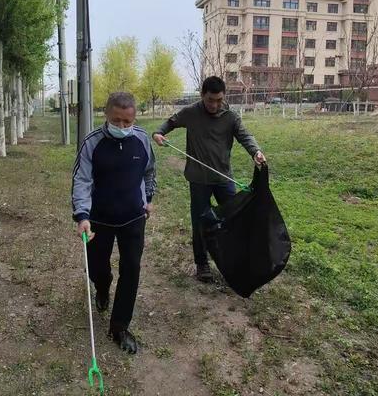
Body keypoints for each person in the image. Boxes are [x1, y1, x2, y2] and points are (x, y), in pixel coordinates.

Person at [152, 76, 265, 282]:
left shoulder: (231, 116)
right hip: (198, 180)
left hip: (224, 179)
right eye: (210, 100)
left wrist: (255, 151)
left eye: (218, 100)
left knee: (232, 219)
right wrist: (158, 133)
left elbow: (245, 136)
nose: (214, 105)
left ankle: (234, 260)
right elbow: (170, 122)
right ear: (202, 95)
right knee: (200, 222)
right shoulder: (191, 113)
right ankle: (202, 264)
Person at [72, 92, 156, 354]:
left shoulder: (142, 139)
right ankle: (102, 284)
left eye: (127, 122)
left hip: (133, 217)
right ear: (106, 115)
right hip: (99, 220)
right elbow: (82, 180)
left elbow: (150, 170)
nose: (122, 127)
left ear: (134, 118)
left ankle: (119, 326)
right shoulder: (92, 143)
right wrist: (82, 216)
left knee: (131, 269)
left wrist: (148, 198)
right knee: (98, 268)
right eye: (116, 120)